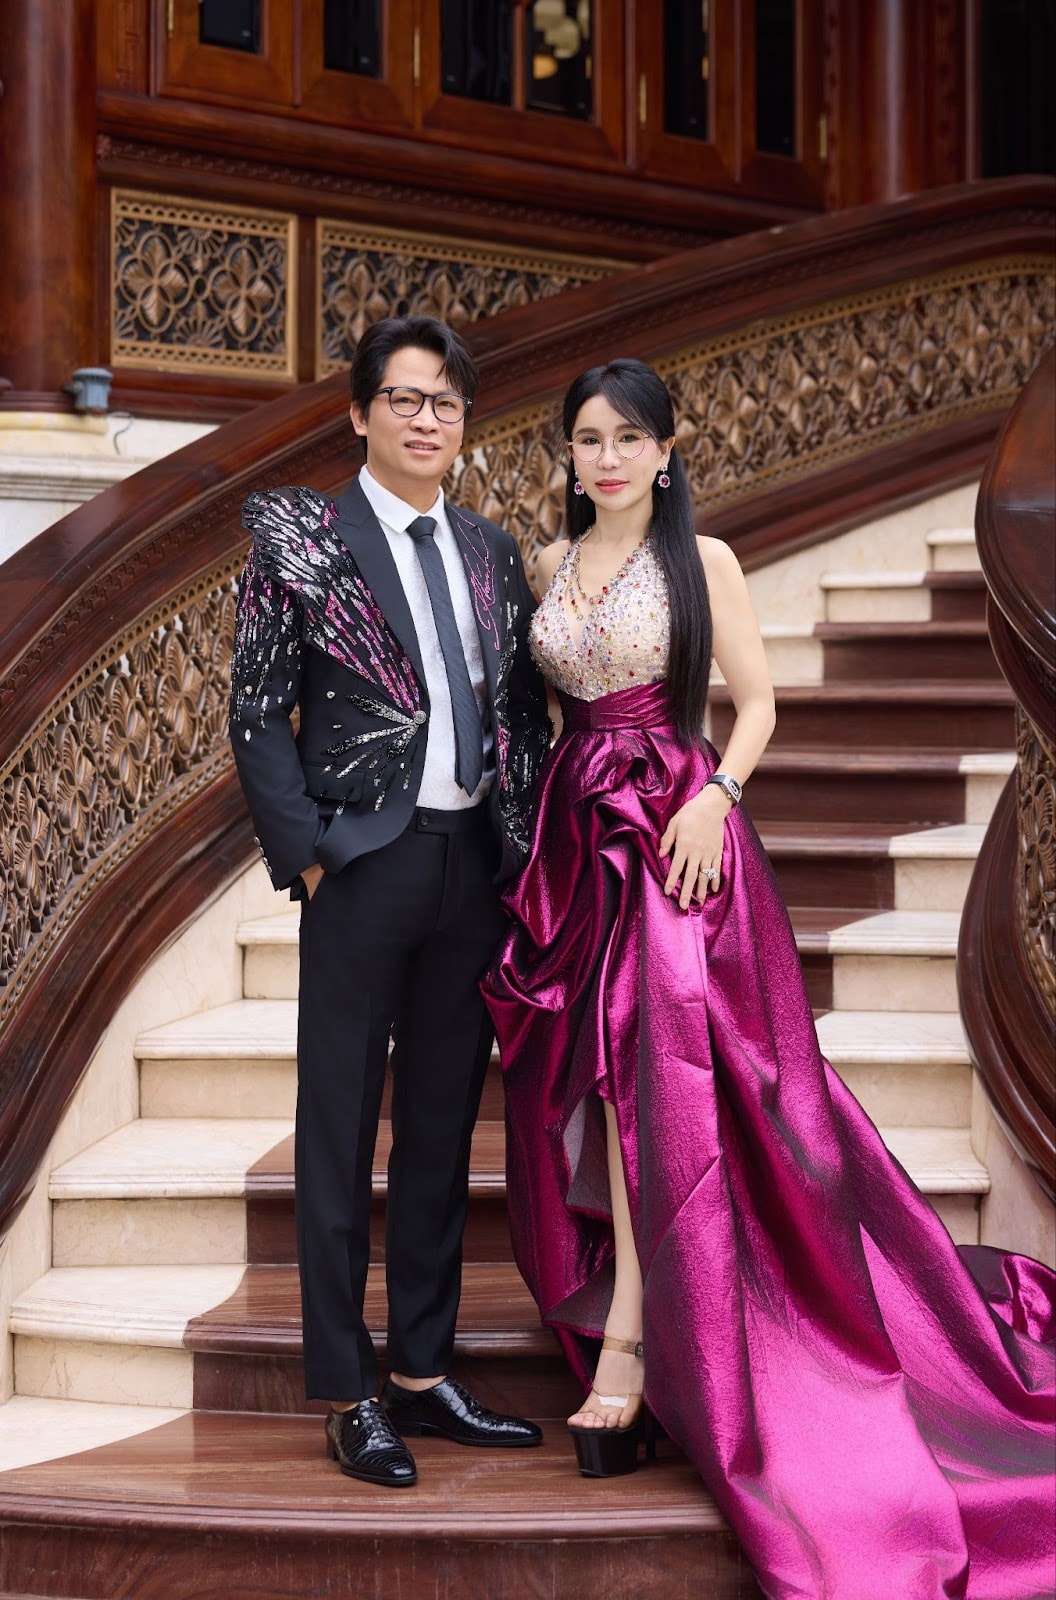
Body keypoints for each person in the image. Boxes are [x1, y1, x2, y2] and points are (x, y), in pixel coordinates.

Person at [483, 357, 1056, 1598]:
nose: (607, 458)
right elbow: (538, 716)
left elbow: (756, 704)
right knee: (588, 1071)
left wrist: (716, 799)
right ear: (569, 453)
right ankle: (639, 1310)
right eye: (588, 438)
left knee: (654, 1070)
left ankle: (633, 1341)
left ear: (667, 450)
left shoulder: (706, 563)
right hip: (579, 835)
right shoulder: (546, 564)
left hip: (679, 836)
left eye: (628, 437)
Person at [229, 315, 551, 1488]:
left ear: (465, 423)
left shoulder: (491, 549)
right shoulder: (306, 540)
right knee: (338, 1127)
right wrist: (311, 854)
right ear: (361, 414)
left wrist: (521, 845)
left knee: (439, 1129)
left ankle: (421, 1370)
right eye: (405, 399)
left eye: (446, 403)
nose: (427, 419)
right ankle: (347, 1388)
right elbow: (256, 709)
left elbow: (517, 708)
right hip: (363, 865)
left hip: (472, 864)